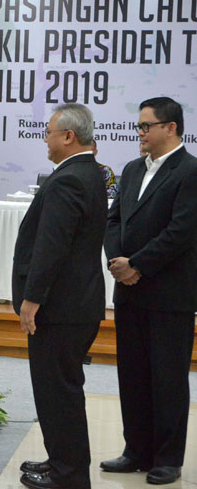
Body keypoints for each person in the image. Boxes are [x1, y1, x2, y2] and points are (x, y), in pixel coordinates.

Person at [102, 97, 197, 486]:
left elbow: (181, 231)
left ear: (170, 128)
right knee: (133, 374)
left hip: (169, 294)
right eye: (139, 126)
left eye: (146, 126)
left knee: (168, 378)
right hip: (129, 291)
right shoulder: (130, 168)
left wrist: (137, 264)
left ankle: (167, 458)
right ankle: (136, 450)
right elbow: (114, 219)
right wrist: (117, 262)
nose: (138, 133)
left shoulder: (190, 171)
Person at [12, 104, 107, 489]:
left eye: (49, 131)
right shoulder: (88, 172)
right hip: (74, 304)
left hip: (60, 308)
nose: (45, 139)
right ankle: (62, 462)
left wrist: (32, 299)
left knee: (58, 393)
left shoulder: (69, 179)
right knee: (59, 391)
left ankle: (68, 475)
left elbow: (53, 247)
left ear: (68, 136)